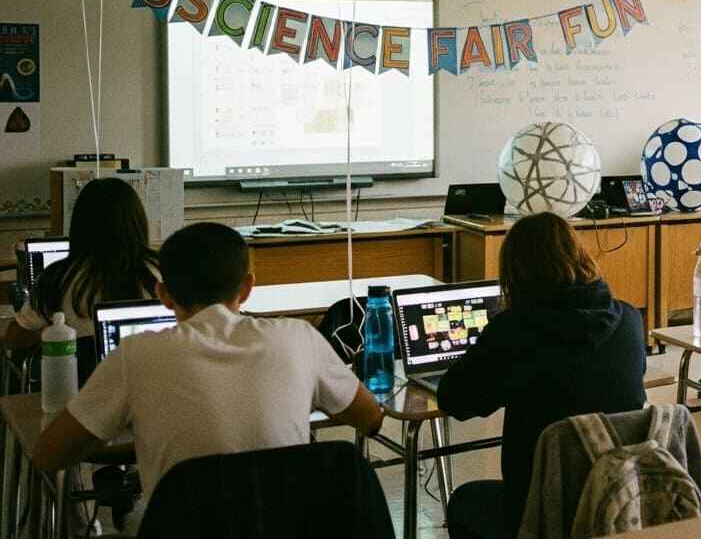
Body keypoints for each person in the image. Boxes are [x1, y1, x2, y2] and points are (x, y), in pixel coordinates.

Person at [32, 222, 384, 524]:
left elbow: (49, 454)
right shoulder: (299, 337)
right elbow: (370, 418)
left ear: (164, 295)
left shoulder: (135, 354)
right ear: (247, 288)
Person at [437, 212, 646, 539]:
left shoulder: (515, 331)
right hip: (620, 501)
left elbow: (454, 400)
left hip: (540, 511)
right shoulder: (629, 319)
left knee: (466, 500)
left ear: (515, 273)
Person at [3, 178, 159, 355]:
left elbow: (14, 340)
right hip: (154, 375)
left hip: (81, 381)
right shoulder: (165, 270)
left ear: (79, 224)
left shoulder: (57, 278)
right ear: (138, 221)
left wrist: (47, 331)